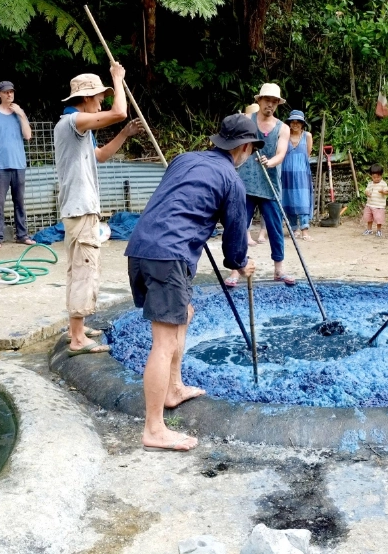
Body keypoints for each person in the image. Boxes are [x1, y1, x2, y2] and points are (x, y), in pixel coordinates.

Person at [124, 113, 260, 451]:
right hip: (169, 255)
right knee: (164, 341)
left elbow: (177, 201)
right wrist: (240, 264)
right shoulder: (232, 180)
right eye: (252, 149)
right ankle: (154, 429)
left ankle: (173, 388)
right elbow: (235, 238)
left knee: (184, 313)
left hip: (141, 247)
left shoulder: (183, 159)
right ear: (243, 147)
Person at [55, 66, 142, 356]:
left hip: (80, 208)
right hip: (80, 209)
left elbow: (101, 156)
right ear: (86, 98)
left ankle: (74, 328)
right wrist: (117, 78)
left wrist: (125, 134)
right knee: (84, 271)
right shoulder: (73, 121)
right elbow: (119, 111)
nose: (102, 102)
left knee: (77, 269)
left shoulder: (79, 128)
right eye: (99, 96)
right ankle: (78, 339)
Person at [227, 83, 295, 287]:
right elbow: (234, 145)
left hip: (269, 184)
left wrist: (270, 162)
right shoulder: (247, 120)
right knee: (238, 227)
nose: (271, 105)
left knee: (275, 228)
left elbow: (281, 153)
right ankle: (235, 270)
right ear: (259, 101)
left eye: (274, 102)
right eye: (267, 101)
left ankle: (279, 269)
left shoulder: (283, 128)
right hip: (244, 184)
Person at [0, 80, 33, 248]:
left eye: (11, 91)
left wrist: (21, 114)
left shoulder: (19, 113)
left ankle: (22, 235)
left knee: (20, 201)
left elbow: (28, 136)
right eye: (6, 92)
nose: (9, 94)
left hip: (18, 163)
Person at [281, 110, 314, 241]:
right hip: (286, 172)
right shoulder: (284, 135)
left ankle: (304, 230)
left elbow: (308, 154)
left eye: (298, 122)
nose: (295, 124)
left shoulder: (307, 136)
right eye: (292, 122)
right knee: (289, 199)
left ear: (302, 124)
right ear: (289, 123)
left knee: (303, 199)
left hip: (302, 172)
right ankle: (294, 229)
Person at [361, 164, 388, 236]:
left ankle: (379, 230)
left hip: (379, 206)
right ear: (371, 176)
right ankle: (369, 229)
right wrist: (367, 193)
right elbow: (366, 191)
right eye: (374, 177)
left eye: (378, 177)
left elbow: (387, 191)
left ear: (381, 175)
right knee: (368, 218)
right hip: (369, 204)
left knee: (378, 218)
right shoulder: (370, 184)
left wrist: (383, 192)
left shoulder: (383, 184)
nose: (376, 179)